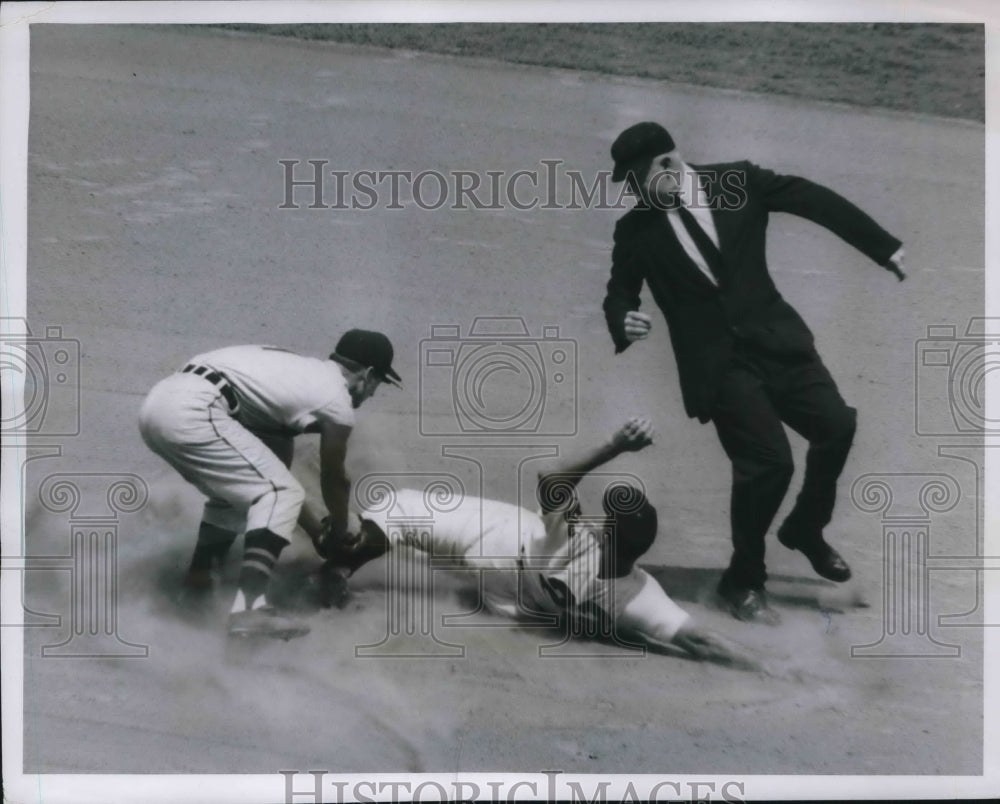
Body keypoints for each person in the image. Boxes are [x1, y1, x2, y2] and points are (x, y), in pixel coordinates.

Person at [602, 122, 906, 625]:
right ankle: (742, 580)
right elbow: (619, 290)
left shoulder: (735, 182)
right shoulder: (635, 229)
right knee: (769, 464)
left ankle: (805, 528)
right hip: (718, 367)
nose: (632, 192)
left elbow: (812, 199)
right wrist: (623, 320)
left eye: (635, 179)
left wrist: (882, 246)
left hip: (778, 344)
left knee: (837, 425)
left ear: (667, 166)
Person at [318, 418, 760, 670]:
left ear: (606, 533)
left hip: (491, 546)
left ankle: (338, 563)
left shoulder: (575, 535)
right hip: (504, 594)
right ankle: (349, 562)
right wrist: (770, 668)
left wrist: (615, 445)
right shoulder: (640, 595)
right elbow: (701, 641)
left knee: (402, 509)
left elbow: (550, 478)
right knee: (412, 538)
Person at [138, 329, 401, 639]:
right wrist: (342, 532)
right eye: (378, 385)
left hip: (159, 405)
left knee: (239, 499)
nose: (371, 394)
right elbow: (335, 479)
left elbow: (274, 477)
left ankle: (195, 593)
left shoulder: (290, 384)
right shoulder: (335, 400)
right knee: (280, 494)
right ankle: (249, 609)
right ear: (368, 374)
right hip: (195, 409)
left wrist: (318, 531)